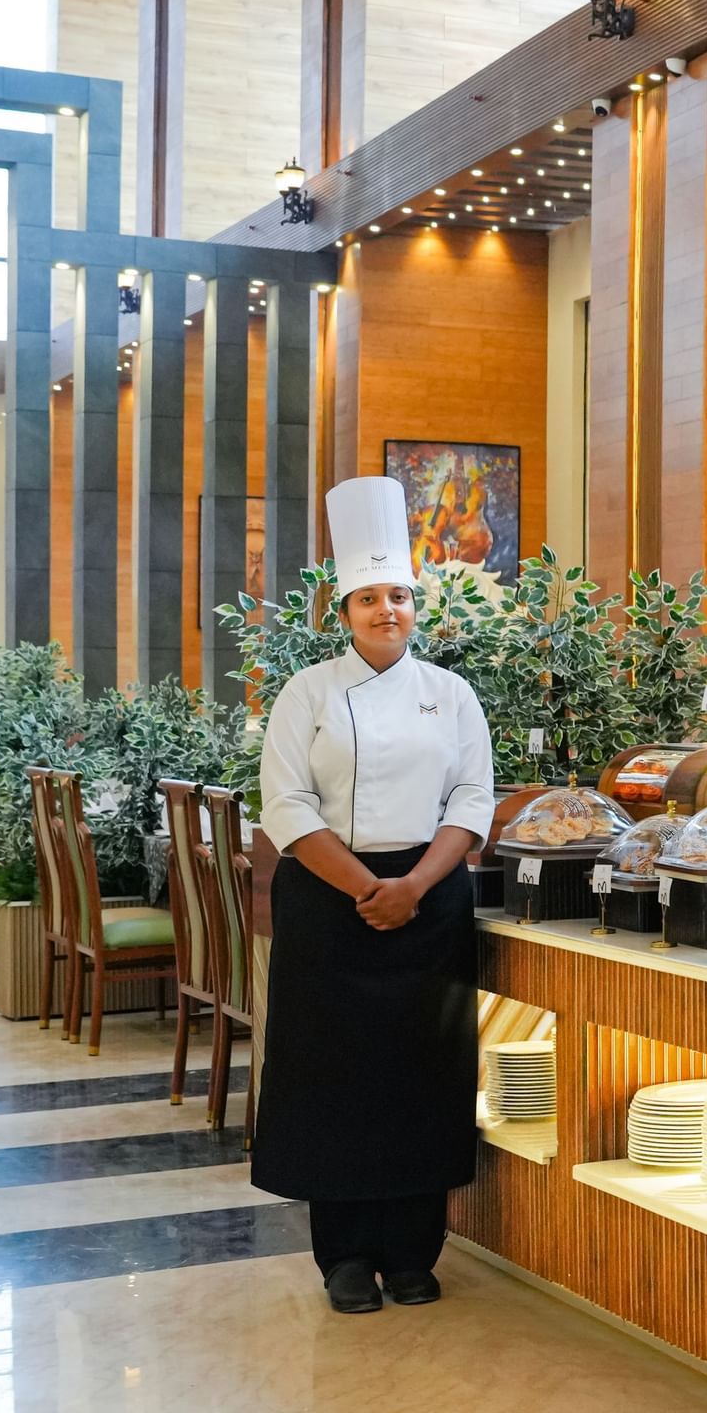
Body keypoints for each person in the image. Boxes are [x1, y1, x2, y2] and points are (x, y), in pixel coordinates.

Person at [252, 476, 496, 1315]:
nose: (385, 610)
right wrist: (366, 888)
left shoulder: (452, 693)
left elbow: (472, 801)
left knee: (422, 1074)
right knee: (334, 1074)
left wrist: (416, 887)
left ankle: (414, 1250)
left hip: (428, 904)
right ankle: (345, 1258)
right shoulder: (308, 693)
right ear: (343, 608)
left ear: (415, 605)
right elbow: (284, 805)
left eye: (398, 596)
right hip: (330, 900)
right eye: (368, 598)